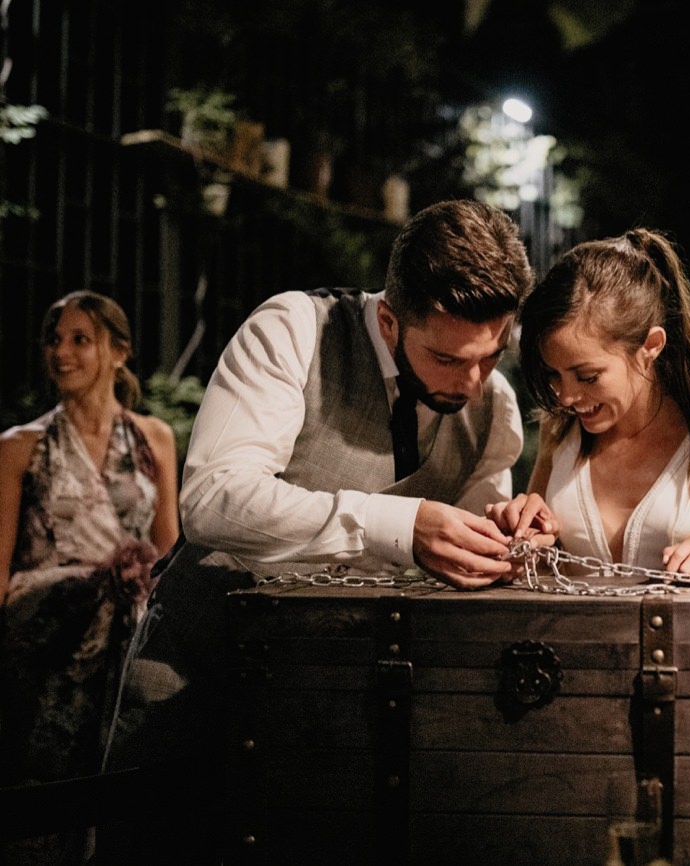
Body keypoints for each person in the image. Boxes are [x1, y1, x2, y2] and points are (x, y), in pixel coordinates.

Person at [97, 200, 535, 864]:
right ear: (389, 320)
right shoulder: (292, 331)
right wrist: (396, 524)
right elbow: (213, 499)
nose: (473, 383)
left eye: (492, 355)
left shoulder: (494, 406)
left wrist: (503, 536)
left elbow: (466, 542)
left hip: (341, 705)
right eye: (448, 358)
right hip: (204, 675)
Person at [486, 227, 690, 580]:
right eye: (553, 375)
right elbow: (542, 564)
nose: (566, 397)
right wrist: (524, 540)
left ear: (651, 346)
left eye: (588, 376)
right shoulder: (559, 427)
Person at [0, 290, 179, 865]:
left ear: (119, 352)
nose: (61, 352)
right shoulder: (20, 447)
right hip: (48, 633)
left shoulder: (154, 439)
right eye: (54, 340)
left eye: (80, 339)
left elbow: (168, 553)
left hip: (129, 630)